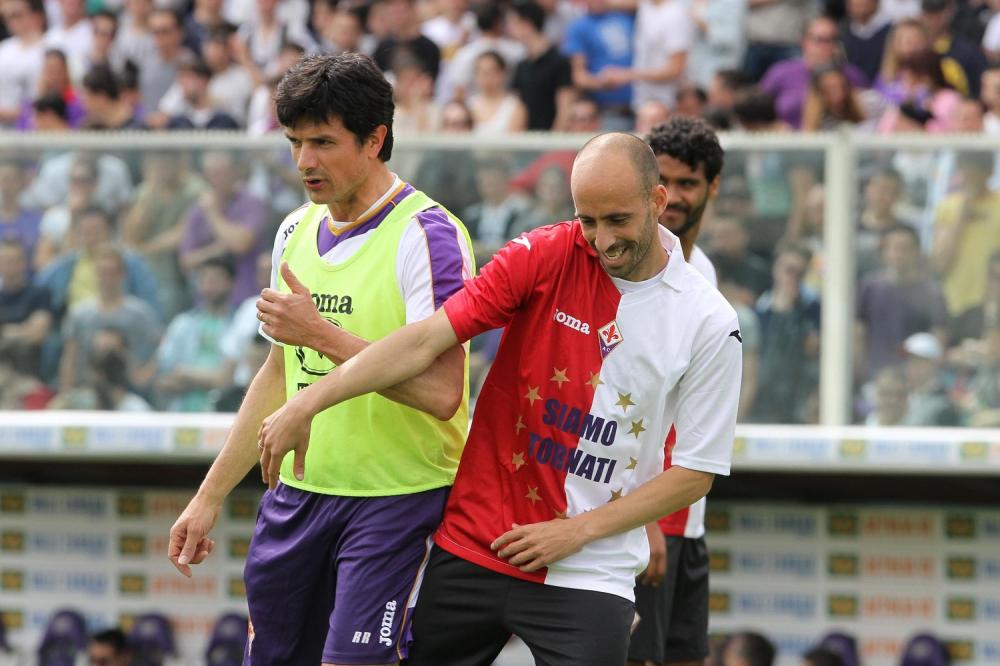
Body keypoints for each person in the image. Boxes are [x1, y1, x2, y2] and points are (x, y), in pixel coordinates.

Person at [255, 131, 742, 665]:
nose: (601, 240)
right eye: (588, 220)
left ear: (657, 201)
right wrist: (307, 402)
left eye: (618, 221)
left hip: (589, 570)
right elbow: (423, 340)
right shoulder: (546, 252)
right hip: (473, 546)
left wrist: (573, 533)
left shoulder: (710, 322)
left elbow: (697, 471)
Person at [167, 53, 473, 666]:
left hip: (396, 501)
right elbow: (278, 372)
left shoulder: (428, 235)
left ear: (375, 139)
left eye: (324, 143)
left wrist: (321, 333)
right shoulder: (294, 231)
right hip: (298, 497)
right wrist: (207, 497)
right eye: (295, 142)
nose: (305, 161)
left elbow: (443, 393)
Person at [628, 117, 723, 666]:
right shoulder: (630, 275)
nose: (675, 196)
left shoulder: (702, 275)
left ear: (713, 187)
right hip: (643, 520)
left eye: (689, 183)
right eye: (664, 181)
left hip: (689, 519)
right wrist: (645, 521)